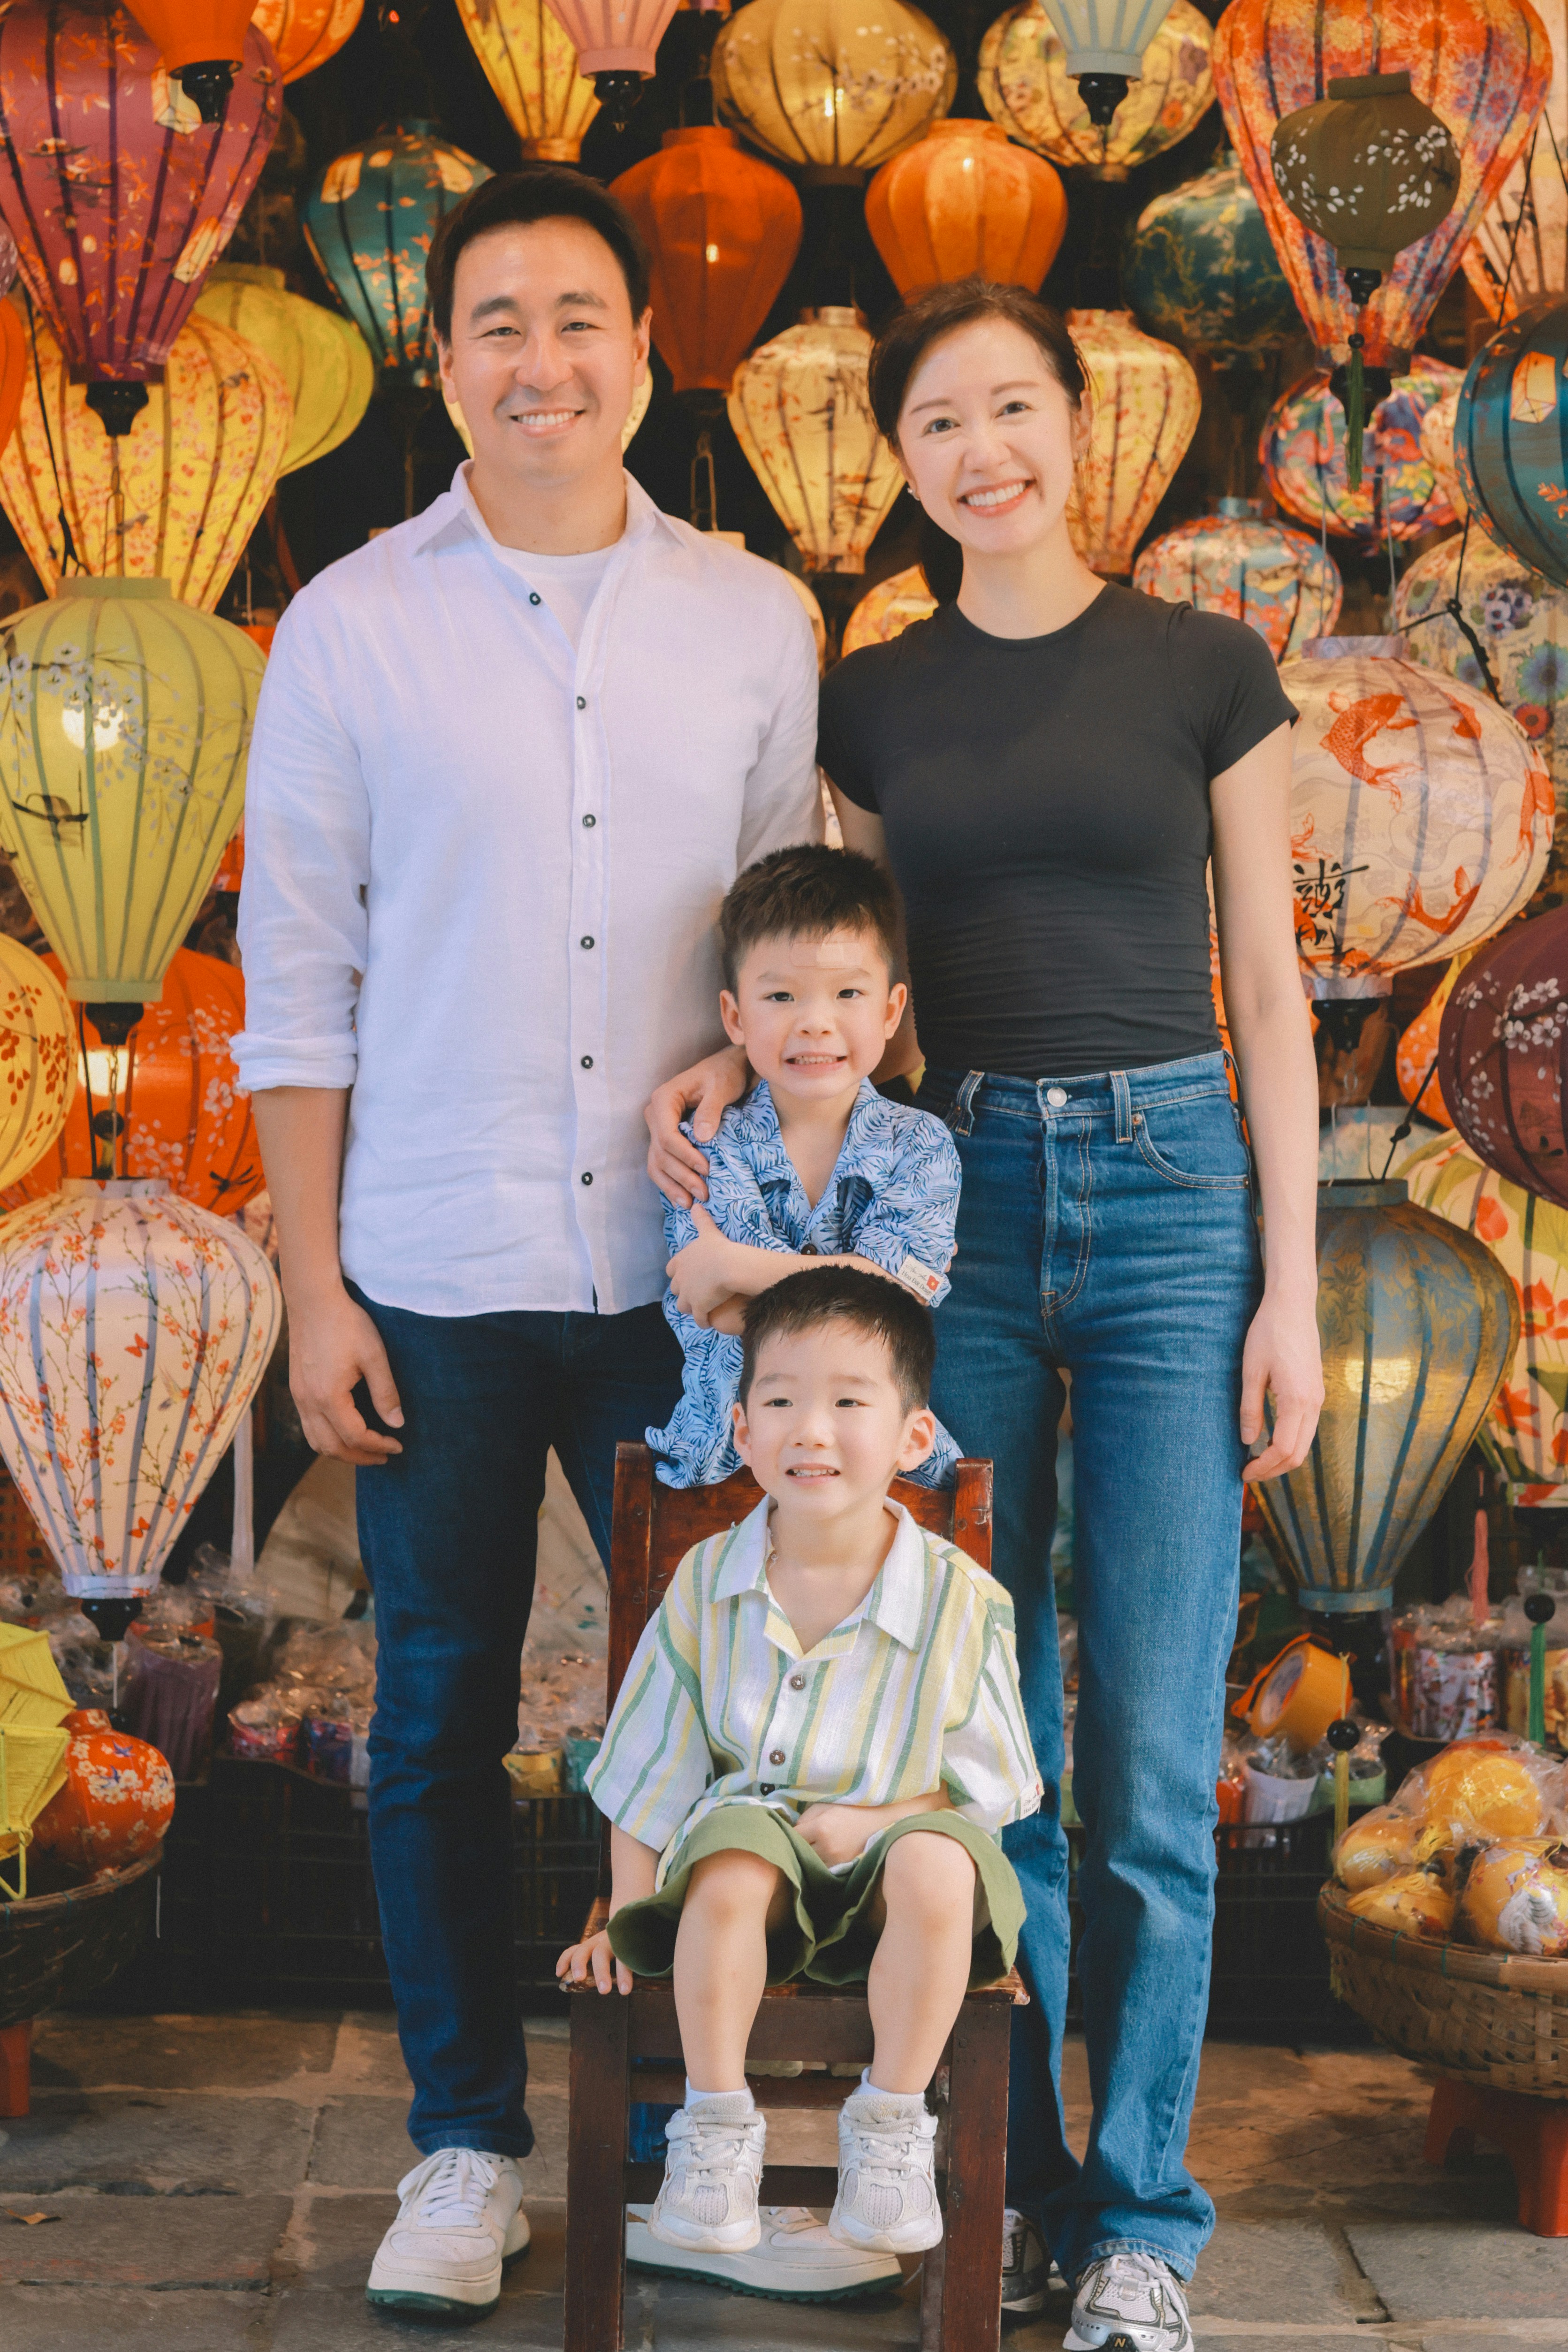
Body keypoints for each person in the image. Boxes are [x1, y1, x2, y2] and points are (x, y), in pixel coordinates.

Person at [646, 277, 1324, 2352]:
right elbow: (827, 978)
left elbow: (1271, 992)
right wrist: (713, 1056)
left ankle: (1134, 2220)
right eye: (937, 422)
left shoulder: (1208, 666)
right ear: (903, 458)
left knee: (1137, 1740)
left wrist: (1291, 1279)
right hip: (950, 1213)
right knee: (978, 1730)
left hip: (1173, 1193)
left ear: (1078, 427)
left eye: (1012, 408)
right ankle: (988, 2182)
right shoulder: (873, 699)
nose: (980, 451)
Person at [235, 167, 824, 2322]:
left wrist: (745, 1095)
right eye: (496, 322)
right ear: (443, 360)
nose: (539, 359)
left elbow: (798, 953)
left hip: (688, 1286)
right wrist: (312, 1286)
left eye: (578, 317)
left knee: (720, 1721)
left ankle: (696, 2135)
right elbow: (295, 990)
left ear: (641, 353)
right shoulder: (348, 626)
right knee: (432, 1720)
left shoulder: (756, 621)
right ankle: (465, 2147)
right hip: (432, 1262)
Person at [560, 1266, 1042, 2258]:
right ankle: (717, 2127)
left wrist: (878, 1819)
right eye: (780, 1400)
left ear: (914, 1438)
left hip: (897, 1893)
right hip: (750, 1888)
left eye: (848, 1401)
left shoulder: (961, 1597)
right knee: (736, 1854)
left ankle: (893, 2126)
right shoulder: (706, 1582)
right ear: (742, 1430)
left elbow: (993, 1782)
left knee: (939, 1857)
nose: (810, 1429)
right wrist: (622, 1912)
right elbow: (649, 1761)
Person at [648, 841, 964, 1489]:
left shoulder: (921, 1147)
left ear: (889, 1010)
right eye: (782, 996)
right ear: (735, 1016)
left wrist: (734, 1265)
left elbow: (894, 1312)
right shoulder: (707, 1144)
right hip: (725, 1458)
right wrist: (865, 1284)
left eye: (847, 992)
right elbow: (707, 1304)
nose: (815, 1023)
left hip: (883, 1467)